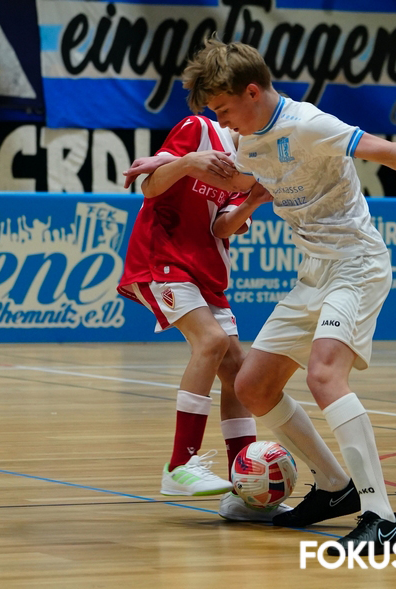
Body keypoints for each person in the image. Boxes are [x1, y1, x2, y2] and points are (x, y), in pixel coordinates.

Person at [132, 36, 396, 556]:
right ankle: (335, 486)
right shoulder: (247, 142)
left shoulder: (308, 123)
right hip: (314, 273)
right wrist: (171, 166)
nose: (222, 121)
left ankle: (383, 518)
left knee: (324, 374)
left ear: (252, 91)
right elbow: (237, 188)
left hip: (357, 264)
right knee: (253, 385)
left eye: (224, 109)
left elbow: (385, 151)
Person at [117, 114, 285, 523]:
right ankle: (180, 465)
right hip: (162, 257)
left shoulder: (251, 162)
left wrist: (252, 201)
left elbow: (222, 227)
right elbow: (150, 187)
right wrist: (189, 162)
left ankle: (244, 491)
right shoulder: (198, 129)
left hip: (206, 271)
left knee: (239, 373)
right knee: (211, 341)